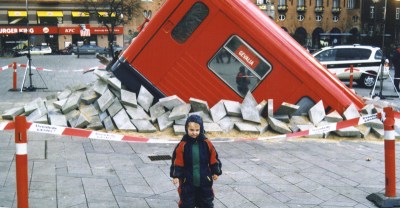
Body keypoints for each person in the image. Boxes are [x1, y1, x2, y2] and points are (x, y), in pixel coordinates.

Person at [170, 115, 222, 208]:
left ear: (201, 129)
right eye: (191, 130)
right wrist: (176, 175)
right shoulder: (183, 144)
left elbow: (213, 157)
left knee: (206, 201)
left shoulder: (206, 143)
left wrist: (216, 171)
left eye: (197, 130)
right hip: (187, 180)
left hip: (205, 179)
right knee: (187, 202)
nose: (194, 133)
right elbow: (177, 160)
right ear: (186, 129)